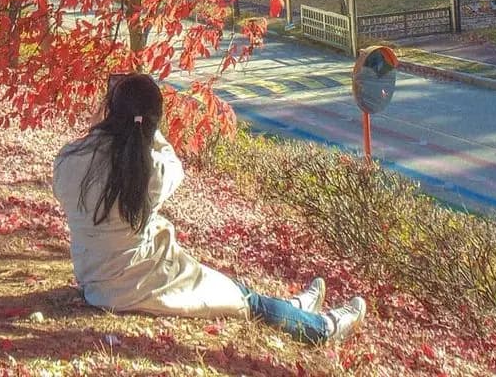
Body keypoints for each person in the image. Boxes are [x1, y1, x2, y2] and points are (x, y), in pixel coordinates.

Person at [52, 73, 367, 344]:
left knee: (235, 289)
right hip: (140, 284)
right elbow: (169, 163)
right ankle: (320, 329)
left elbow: (88, 177)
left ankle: (294, 306)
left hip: (94, 280)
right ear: (151, 124)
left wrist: (98, 128)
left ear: (108, 111)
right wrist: (147, 131)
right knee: (246, 299)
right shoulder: (155, 170)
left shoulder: (68, 160)